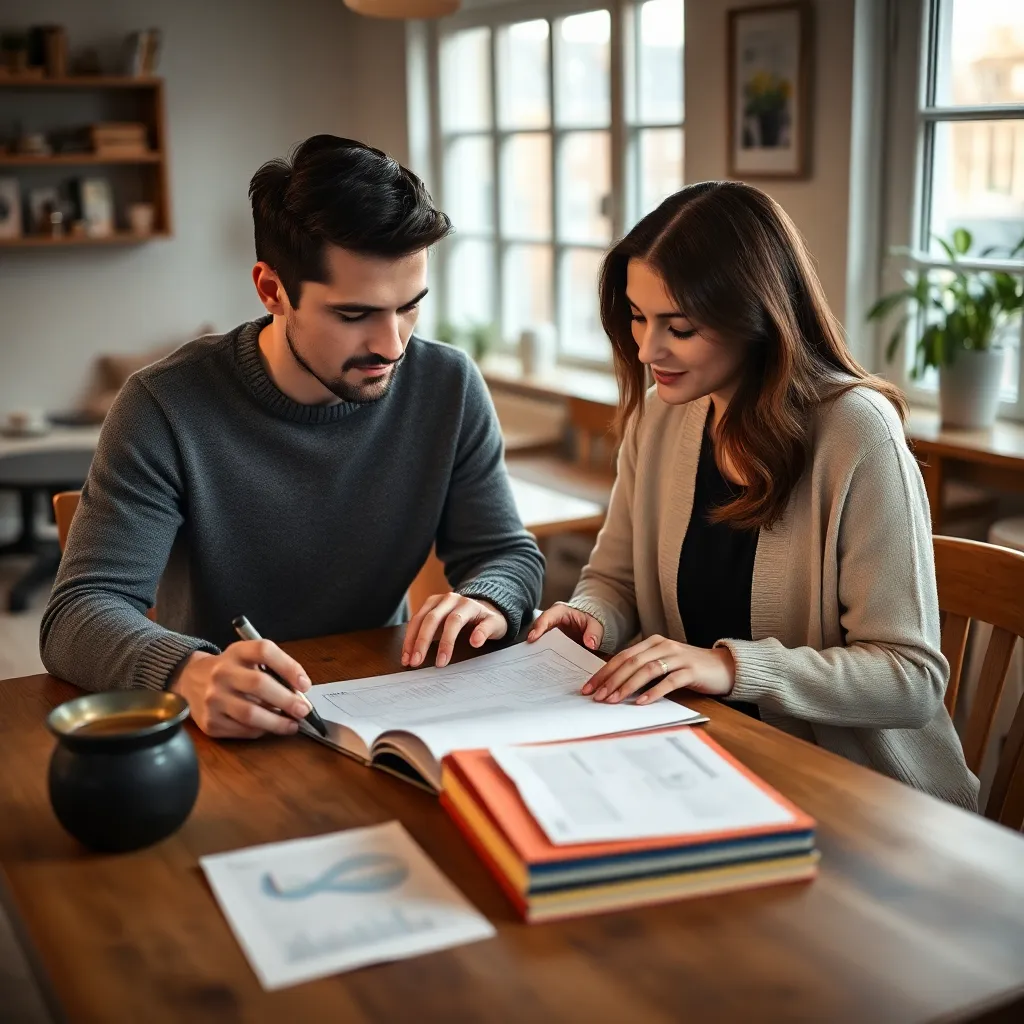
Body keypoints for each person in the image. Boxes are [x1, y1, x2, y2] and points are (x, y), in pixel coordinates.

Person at [41, 135, 543, 740]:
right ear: (271, 289)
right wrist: (188, 672)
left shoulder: (448, 385)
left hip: (383, 708)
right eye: (354, 315)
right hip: (224, 722)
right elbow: (78, 614)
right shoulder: (164, 406)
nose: (392, 345)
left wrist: (488, 598)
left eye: (410, 306)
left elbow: (505, 553)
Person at [529, 180, 977, 809]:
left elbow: (909, 679)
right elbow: (615, 578)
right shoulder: (660, 415)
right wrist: (593, 618)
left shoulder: (855, 431)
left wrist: (729, 667)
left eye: (678, 326)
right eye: (637, 316)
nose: (647, 348)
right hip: (709, 765)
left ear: (756, 316)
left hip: (863, 799)